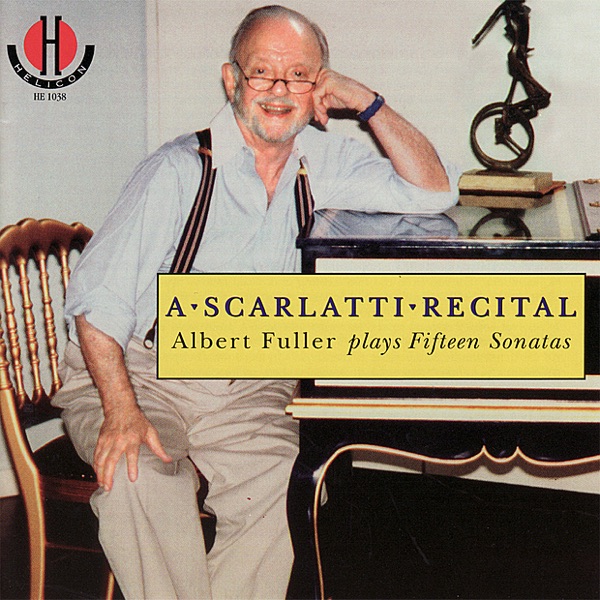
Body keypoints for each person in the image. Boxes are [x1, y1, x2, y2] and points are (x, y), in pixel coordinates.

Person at [52, 5, 460, 599]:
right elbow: (96, 305)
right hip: (140, 370)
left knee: (286, 485)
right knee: (139, 478)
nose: (278, 90)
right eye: (262, 72)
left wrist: (367, 102)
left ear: (319, 86)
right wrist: (121, 410)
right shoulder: (176, 170)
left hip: (249, 382)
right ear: (231, 80)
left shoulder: (319, 163)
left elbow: (435, 190)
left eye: (299, 75)